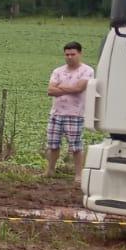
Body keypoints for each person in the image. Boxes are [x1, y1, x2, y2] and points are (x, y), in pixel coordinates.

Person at [45, 40, 94, 180]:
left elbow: (79, 89)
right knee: (53, 144)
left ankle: (79, 175)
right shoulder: (58, 71)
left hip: (75, 114)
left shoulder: (87, 70)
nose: (69, 57)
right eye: (67, 54)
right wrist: (69, 89)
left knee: (76, 146)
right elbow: (50, 90)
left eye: (73, 54)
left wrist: (60, 88)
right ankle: (50, 171)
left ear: (80, 53)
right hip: (56, 113)